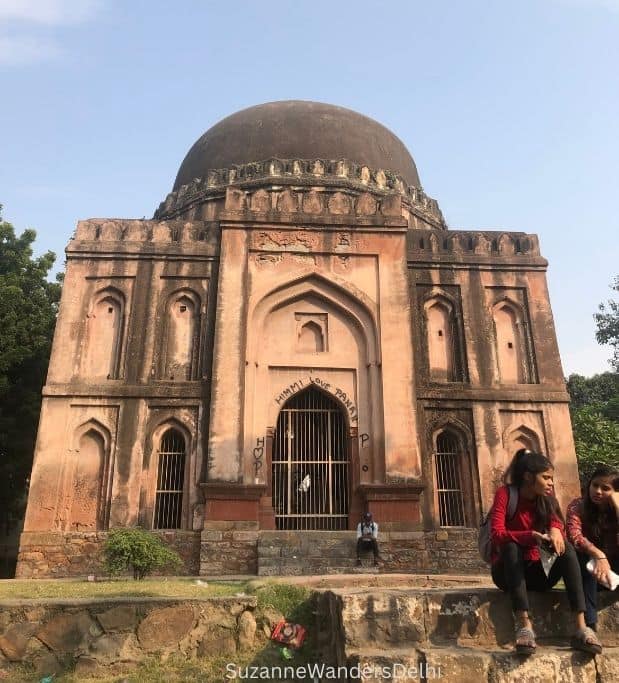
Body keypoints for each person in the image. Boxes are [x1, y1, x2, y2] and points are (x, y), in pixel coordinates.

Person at [490, 449, 602, 655]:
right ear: (528, 476)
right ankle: (525, 626)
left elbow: (555, 521)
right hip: (507, 573)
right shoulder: (505, 494)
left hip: (538, 572)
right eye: (546, 477)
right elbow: (497, 534)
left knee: (567, 548)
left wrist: (556, 531)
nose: (551, 483)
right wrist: (530, 536)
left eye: (551, 478)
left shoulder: (547, 498)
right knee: (511, 546)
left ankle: (581, 627)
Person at [566, 465, 619, 632]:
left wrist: (617, 507)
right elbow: (574, 536)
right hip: (588, 570)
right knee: (576, 556)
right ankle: (589, 625)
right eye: (595, 485)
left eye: (606, 488)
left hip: (613, 572)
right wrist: (598, 555)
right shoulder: (578, 505)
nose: (598, 491)